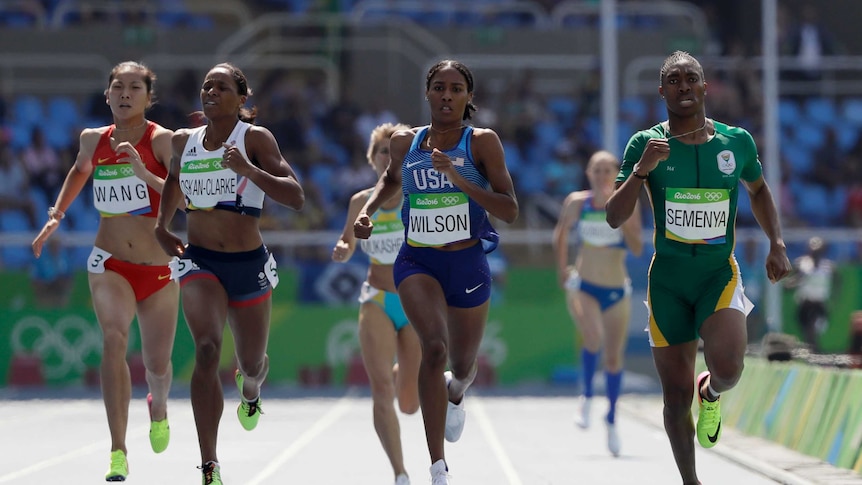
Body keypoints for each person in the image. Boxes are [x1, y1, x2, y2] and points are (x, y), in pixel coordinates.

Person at [605, 51, 792, 485]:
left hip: (716, 274)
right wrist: (640, 172)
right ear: (662, 91)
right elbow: (615, 217)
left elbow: (759, 189)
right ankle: (691, 481)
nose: (683, 86)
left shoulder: (735, 142)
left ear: (705, 87)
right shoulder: (644, 144)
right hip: (669, 281)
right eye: (673, 80)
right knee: (673, 398)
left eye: (691, 78)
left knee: (729, 368)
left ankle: (710, 391)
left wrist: (776, 243)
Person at [353, 59, 519, 485]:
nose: (447, 95)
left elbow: (509, 209)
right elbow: (390, 181)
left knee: (462, 366)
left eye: (456, 88)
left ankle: (457, 391)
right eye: (439, 87)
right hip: (417, 260)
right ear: (427, 93)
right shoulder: (405, 141)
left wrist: (457, 176)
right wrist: (369, 212)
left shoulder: (482, 142)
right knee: (434, 347)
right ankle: (437, 465)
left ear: (468, 98)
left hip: (466, 261)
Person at [154, 62, 304, 485]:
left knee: (252, 363)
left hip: (248, 264)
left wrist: (249, 171)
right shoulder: (184, 140)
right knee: (205, 349)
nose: (210, 91)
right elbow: (173, 179)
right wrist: (161, 227)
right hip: (201, 261)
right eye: (206, 85)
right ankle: (209, 464)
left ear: (242, 99)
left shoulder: (254, 138)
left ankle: (251, 390)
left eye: (221, 86)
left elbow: (295, 196)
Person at [31, 61, 179, 482]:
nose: (125, 94)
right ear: (107, 95)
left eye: (135, 87)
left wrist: (144, 173)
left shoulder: (164, 140)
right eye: (118, 87)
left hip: (159, 270)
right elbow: (80, 171)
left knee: (157, 365)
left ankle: (161, 406)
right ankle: (118, 449)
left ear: (150, 97)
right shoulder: (93, 139)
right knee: (114, 339)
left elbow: (184, 199)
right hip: (109, 263)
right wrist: (56, 216)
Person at [332, 122, 421, 485]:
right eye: (382, 151)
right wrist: (342, 250)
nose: (388, 156)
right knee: (380, 390)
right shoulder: (360, 202)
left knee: (410, 403)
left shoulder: (418, 197)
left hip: (416, 303)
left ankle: (404, 376)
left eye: (394, 150)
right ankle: (400, 472)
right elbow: (346, 244)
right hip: (377, 299)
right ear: (372, 159)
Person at [552, 149, 643, 457]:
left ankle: (612, 417)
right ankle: (587, 396)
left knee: (614, 358)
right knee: (592, 337)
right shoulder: (577, 202)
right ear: (588, 173)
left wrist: (622, 213)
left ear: (617, 174)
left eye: (608, 170)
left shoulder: (628, 202)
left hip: (616, 289)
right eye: (597, 170)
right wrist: (562, 269)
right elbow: (560, 234)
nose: (602, 175)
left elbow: (637, 246)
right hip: (585, 285)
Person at [784, 236, 837, 352]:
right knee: (806, 333)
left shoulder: (828, 267)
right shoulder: (802, 264)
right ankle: (813, 354)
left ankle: (815, 353)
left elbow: (838, 281)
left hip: (819, 306)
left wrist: (834, 297)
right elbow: (790, 283)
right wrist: (795, 282)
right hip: (805, 304)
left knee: (812, 331)